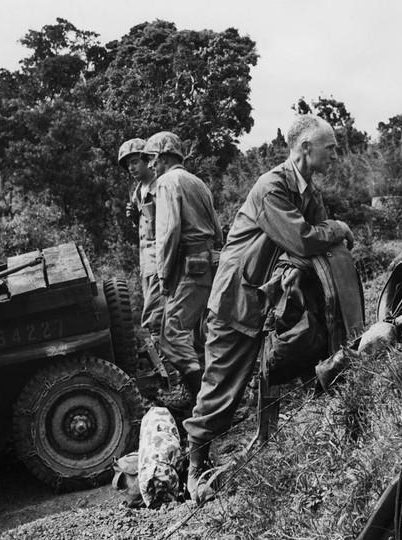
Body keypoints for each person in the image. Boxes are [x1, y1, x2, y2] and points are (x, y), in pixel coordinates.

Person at [182, 115, 354, 498]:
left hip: (272, 297)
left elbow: (318, 240)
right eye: (331, 147)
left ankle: (279, 439)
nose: (336, 154)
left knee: (288, 359)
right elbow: (305, 239)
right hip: (237, 301)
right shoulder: (272, 187)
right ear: (306, 147)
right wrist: (340, 229)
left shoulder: (309, 191)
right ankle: (194, 467)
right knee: (222, 387)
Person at [144, 131, 223, 411]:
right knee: (200, 337)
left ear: (164, 158)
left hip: (189, 266)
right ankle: (212, 400)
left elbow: (168, 231)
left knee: (172, 336)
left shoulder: (166, 182)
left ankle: (206, 408)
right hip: (208, 261)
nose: (150, 166)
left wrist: (164, 276)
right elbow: (218, 229)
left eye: (152, 159)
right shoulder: (198, 182)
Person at [120, 138, 165, 369]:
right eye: (128, 164)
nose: (132, 168)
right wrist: (133, 217)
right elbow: (143, 229)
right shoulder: (138, 191)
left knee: (156, 315)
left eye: (135, 161)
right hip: (146, 261)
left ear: (148, 160)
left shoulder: (161, 186)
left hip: (160, 259)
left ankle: (167, 367)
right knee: (152, 312)